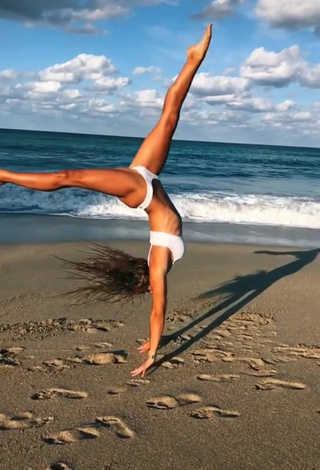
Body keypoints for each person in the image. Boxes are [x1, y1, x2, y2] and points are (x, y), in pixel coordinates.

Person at [0, 25, 212, 376]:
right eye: (148, 290)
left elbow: (158, 310)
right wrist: (152, 349)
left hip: (140, 189)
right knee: (169, 118)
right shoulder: (157, 267)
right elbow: (158, 310)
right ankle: (192, 59)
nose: (151, 292)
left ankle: (4, 175)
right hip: (147, 179)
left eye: (145, 289)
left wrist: (153, 347)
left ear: (142, 279)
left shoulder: (158, 263)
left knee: (69, 177)